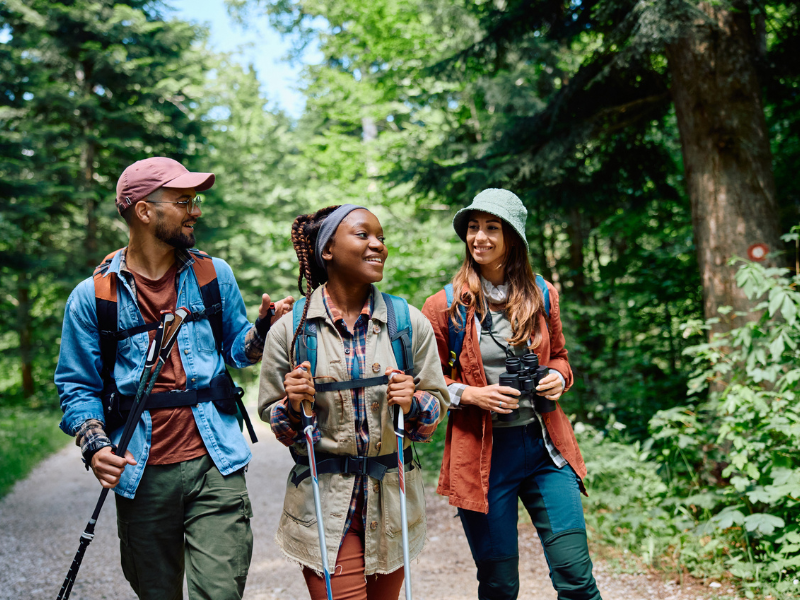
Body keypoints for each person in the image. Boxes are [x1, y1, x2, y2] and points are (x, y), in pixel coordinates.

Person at [55, 157, 294, 600]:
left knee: (219, 593)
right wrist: (96, 447)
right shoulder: (93, 297)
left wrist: (263, 329)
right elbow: (76, 386)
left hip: (216, 462)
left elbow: (236, 349)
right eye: (183, 201)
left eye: (195, 200)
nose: (195, 211)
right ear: (145, 211)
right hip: (141, 473)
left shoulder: (212, 274)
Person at [258, 204, 449, 600]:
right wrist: (292, 405)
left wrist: (413, 403)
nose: (378, 245)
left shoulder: (406, 322)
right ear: (327, 250)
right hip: (322, 503)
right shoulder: (291, 331)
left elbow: (434, 409)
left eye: (381, 237)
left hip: (392, 501)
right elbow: (279, 425)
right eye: (363, 235)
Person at [421, 189, 602, 600]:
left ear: (513, 237)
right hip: (483, 456)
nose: (479, 237)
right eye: (473, 227)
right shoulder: (444, 306)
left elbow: (560, 358)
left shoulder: (542, 294)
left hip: (544, 450)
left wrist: (558, 377)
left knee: (576, 578)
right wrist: (472, 395)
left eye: (492, 228)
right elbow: (427, 381)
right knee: (500, 586)